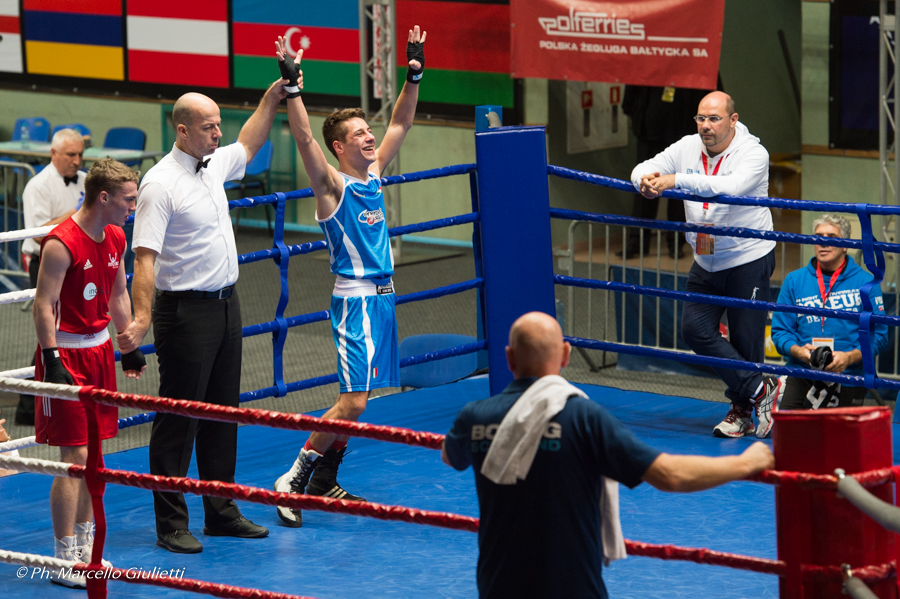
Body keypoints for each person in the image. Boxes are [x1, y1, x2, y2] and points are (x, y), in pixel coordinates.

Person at [441, 312, 774, 599]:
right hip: (571, 585)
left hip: (499, 583)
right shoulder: (584, 418)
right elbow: (669, 474)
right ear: (565, 355)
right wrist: (746, 463)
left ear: (509, 358)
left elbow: (450, 456)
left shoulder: (475, 417)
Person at [118, 82, 287, 553]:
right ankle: (170, 522)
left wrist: (273, 95)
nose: (218, 133)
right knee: (179, 419)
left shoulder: (213, 164)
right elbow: (145, 258)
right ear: (182, 130)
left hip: (225, 305)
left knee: (221, 414)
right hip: (184, 312)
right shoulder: (158, 184)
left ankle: (222, 510)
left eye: (218, 125)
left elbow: (249, 141)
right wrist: (143, 316)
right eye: (208, 127)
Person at [271, 27, 426, 527]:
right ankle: (292, 480)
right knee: (351, 400)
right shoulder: (332, 186)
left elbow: (401, 119)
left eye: (368, 131)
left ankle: (324, 481)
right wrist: (293, 89)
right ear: (340, 146)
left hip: (384, 300)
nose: (370, 135)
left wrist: (414, 73)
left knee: (361, 403)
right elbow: (302, 136)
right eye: (360, 133)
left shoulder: (374, 173)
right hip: (355, 301)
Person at [630, 91, 780, 439]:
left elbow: (732, 187)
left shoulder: (753, 153)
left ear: (733, 119)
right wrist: (648, 183)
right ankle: (762, 388)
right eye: (701, 118)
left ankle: (741, 409)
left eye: (714, 119)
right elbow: (643, 166)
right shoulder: (685, 147)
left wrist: (676, 180)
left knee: (746, 340)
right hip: (705, 258)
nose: (706, 126)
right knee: (695, 330)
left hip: (747, 256)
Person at [32, 158, 147, 588]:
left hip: (99, 352)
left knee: (94, 458)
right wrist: (53, 357)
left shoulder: (116, 235)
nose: (132, 207)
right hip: (66, 354)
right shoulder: (61, 243)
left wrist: (128, 344)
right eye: (128, 200)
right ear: (104, 197)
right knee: (74, 457)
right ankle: (64, 557)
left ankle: (87, 552)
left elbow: (117, 293)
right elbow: (43, 303)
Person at [771, 214, 888, 413]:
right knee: (790, 439)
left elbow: (879, 336)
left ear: (845, 245)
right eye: (818, 236)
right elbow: (780, 332)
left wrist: (849, 357)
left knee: (836, 442)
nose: (823, 242)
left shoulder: (866, 283)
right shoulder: (794, 280)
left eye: (831, 236)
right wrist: (800, 352)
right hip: (801, 373)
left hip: (848, 376)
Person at [18, 128, 87, 427]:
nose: (76, 160)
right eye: (70, 154)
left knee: (74, 330)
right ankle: (27, 406)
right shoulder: (38, 186)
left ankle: (72, 397)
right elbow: (35, 235)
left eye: (80, 154)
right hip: (44, 261)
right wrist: (76, 213)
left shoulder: (85, 180)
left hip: (79, 263)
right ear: (53, 154)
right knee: (48, 331)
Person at [619, 85, 713, 259]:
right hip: (649, 129)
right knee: (645, 188)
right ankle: (637, 242)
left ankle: (675, 243)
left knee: (679, 192)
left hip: (681, 128)